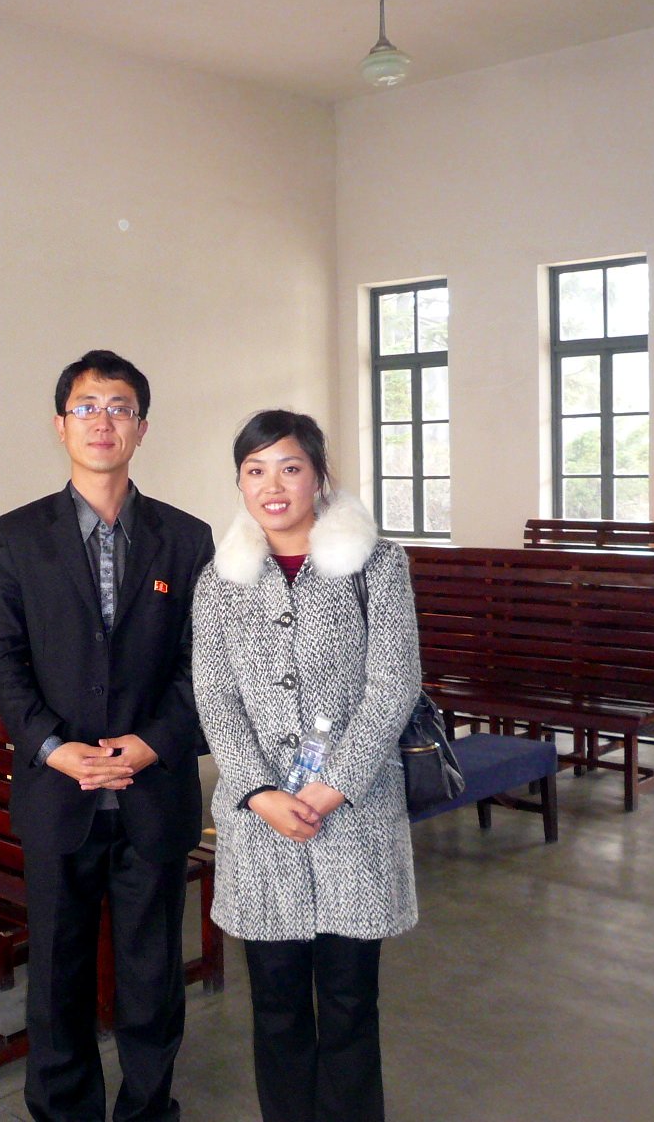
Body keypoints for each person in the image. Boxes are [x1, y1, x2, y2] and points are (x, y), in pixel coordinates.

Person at [0, 351, 214, 1122]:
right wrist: (51, 746)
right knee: (57, 979)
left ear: (141, 428)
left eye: (119, 407)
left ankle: (149, 1111)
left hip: (152, 794)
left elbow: (205, 665)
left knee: (152, 981)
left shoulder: (186, 539)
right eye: (87, 407)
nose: (102, 420)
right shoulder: (19, 536)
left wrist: (152, 742)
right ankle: (62, 1113)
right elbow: (4, 658)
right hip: (58, 794)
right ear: (61, 425)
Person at [189, 409, 420, 1122]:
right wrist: (257, 790)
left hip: (354, 816)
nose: (273, 485)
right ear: (239, 483)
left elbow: (394, 683)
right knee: (279, 1005)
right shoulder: (219, 580)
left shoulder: (376, 564)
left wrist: (332, 786)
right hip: (263, 827)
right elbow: (214, 693)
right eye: (255, 470)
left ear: (319, 476)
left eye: (289, 466)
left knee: (350, 1002)